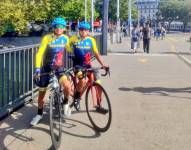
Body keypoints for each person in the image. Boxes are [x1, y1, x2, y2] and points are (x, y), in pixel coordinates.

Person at [30, 17, 72, 126]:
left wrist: (76, 58)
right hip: (46, 69)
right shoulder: (47, 38)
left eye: (61, 27)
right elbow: (39, 53)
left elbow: (70, 50)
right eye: (57, 26)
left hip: (59, 69)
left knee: (67, 86)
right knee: (41, 95)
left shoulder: (65, 38)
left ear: (64, 29)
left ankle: (66, 103)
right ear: (53, 28)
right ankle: (39, 114)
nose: (59, 29)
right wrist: (37, 68)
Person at [69, 21, 108, 112]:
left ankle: (99, 105)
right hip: (78, 66)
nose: (83, 31)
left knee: (98, 84)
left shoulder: (91, 40)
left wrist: (103, 65)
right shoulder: (74, 38)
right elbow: (65, 46)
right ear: (79, 30)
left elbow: (96, 54)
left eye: (85, 30)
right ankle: (77, 98)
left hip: (88, 65)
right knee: (82, 81)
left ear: (88, 31)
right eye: (81, 29)